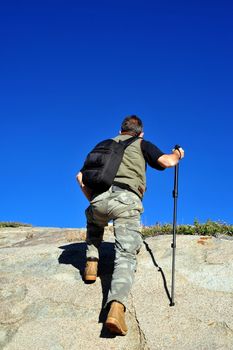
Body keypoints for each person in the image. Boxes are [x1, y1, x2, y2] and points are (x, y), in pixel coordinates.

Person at [76, 115, 184, 336]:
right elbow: (166, 162)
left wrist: (94, 201)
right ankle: (116, 308)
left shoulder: (103, 144)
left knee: (95, 225)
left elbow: (80, 177)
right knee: (125, 254)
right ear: (140, 132)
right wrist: (178, 154)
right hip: (127, 201)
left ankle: (91, 264)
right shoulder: (141, 143)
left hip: (99, 200)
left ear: (120, 130)